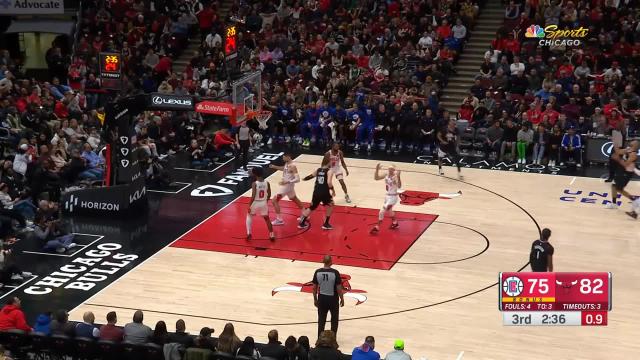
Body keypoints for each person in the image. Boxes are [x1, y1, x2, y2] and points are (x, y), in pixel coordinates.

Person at [312, 255, 344, 337]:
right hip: (333, 299)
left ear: (323, 262)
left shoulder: (317, 272)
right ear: (331, 262)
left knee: (321, 321)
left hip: (322, 298)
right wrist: (342, 298)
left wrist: (315, 300)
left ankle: (319, 339)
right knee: (334, 320)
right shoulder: (335, 272)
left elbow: (314, 288)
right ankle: (333, 340)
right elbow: (339, 288)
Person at [299, 159, 335, 230]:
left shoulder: (318, 170)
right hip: (324, 192)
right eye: (331, 161)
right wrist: (333, 190)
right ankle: (326, 224)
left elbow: (310, 176)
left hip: (316, 192)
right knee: (331, 204)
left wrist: (304, 179)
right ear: (328, 162)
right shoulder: (329, 171)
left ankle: (301, 223)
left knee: (311, 207)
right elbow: (329, 183)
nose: (332, 162)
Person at [270, 153, 303, 226]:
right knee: (294, 199)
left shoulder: (293, 166)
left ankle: (279, 220)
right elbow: (284, 169)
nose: (283, 159)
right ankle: (305, 214)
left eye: (284, 157)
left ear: (288, 157)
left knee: (274, 200)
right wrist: (274, 166)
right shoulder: (287, 163)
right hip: (289, 187)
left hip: (286, 186)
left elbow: (297, 179)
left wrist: (287, 181)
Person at [370, 164, 401, 234]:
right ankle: (395, 223)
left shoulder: (395, 177)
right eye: (389, 169)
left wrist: (399, 177)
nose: (390, 170)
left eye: (391, 169)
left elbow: (399, 186)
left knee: (382, 211)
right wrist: (377, 169)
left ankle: (377, 227)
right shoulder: (386, 175)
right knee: (390, 211)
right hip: (387, 196)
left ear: (394, 170)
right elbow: (376, 178)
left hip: (393, 197)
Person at [608, 141, 639, 211]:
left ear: (635, 146)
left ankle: (635, 200)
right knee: (613, 185)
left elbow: (625, 164)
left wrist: (617, 159)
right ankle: (614, 204)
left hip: (627, 173)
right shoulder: (628, 149)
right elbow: (618, 152)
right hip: (622, 171)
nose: (632, 141)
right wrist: (615, 144)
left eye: (634, 142)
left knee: (619, 189)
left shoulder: (633, 154)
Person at [247, 167, 275, 241]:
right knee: (267, 219)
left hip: (255, 202)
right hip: (263, 202)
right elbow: (269, 194)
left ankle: (249, 233)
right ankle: (272, 235)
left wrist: (249, 205)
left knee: (249, 215)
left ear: (254, 174)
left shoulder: (254, 183)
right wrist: (266, 201)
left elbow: (253, 196)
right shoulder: (267, 183)